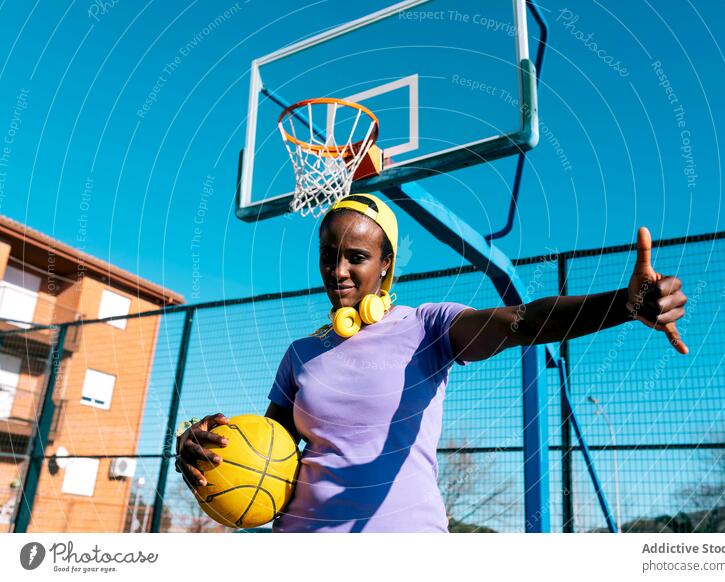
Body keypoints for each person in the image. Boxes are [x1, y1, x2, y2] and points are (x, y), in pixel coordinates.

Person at [175, 193, 688, 532]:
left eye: (356, 256)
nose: (338, 270)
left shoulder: (427, 327)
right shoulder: (302, 354)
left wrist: (621, 305)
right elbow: (267, 454)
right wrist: (203, 453)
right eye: (329, 254)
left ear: (386, 265)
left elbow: (522, 322)